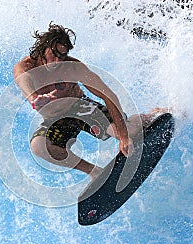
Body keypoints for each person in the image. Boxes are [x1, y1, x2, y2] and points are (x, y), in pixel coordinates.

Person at [13, 22, 168, 180]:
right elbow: (22, 79)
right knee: (39, 147)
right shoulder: (25, 67)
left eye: (62, 56)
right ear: (43, 47)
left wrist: (123, 137)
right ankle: (95, 172)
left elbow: (108, 95)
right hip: (55, 119)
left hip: (80, 106)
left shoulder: (73, 67)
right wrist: (34, 98)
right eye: (53, 54)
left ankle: (151, 115)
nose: (57, 61)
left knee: (131, 133)